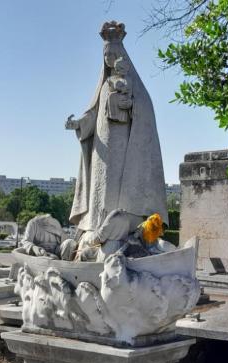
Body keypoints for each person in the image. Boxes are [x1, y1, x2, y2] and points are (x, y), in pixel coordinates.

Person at [65, 21, 168, 252]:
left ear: (122, 56)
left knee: (121, 191)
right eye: (106, 54)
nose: (110, 58)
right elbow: (91, 115)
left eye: (114, 53)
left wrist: (131, 106)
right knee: (102, 188)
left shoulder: (134, 86)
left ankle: (124, 230)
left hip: (126, 150)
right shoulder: (103, 87)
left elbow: (145, 109)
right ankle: (97, 229)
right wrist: (79, 123)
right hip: (103, 151)